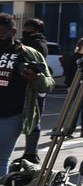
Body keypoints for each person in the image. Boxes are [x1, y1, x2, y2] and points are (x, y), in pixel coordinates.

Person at [0, 13, 55, 177]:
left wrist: (35, 78)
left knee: (2, 159)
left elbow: (48, 84)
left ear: (13, 31)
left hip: (12, 115)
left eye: (3, 32)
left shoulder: (29, 53)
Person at [19, 18, 49, 163]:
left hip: (34, 84)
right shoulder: (26, 42)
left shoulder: (37, 44)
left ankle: (31, 153)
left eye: (30, 28)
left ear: (37, 30)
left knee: (33, 117)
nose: (26, 30)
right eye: (26, 27)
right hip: (24, 84)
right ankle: (30, 153)